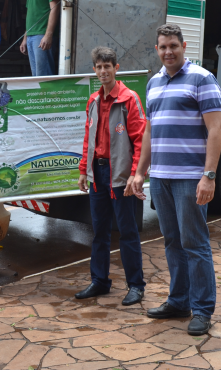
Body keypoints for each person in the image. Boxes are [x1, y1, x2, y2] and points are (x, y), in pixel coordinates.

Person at [129, 23, 221, 336]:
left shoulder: (201, 78)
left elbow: (215, 129)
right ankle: (179, 300)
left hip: (189, 178)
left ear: (183, 46)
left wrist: (208, 176)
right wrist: (140, 172)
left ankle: (202, 309)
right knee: (172, 242)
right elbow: (150, 131)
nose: (168, 51)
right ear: (156, 49)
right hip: (161, 178)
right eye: (163, 47)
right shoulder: (154, 83)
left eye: (174, 46)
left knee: (194, 244)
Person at [75, 46, 147, 306]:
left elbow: (141, 140)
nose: (103, 71)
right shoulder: (93, 100)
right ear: (94, 70)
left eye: (108, 66)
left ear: (116, 68)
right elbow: (88, 138)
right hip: (98, 174)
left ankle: (136, 285)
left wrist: (136, 174)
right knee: (99, 232)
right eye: (99, 67)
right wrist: (84, 170)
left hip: (120, 176)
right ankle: (100, 281)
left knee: (127, 232)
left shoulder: (129, 99)